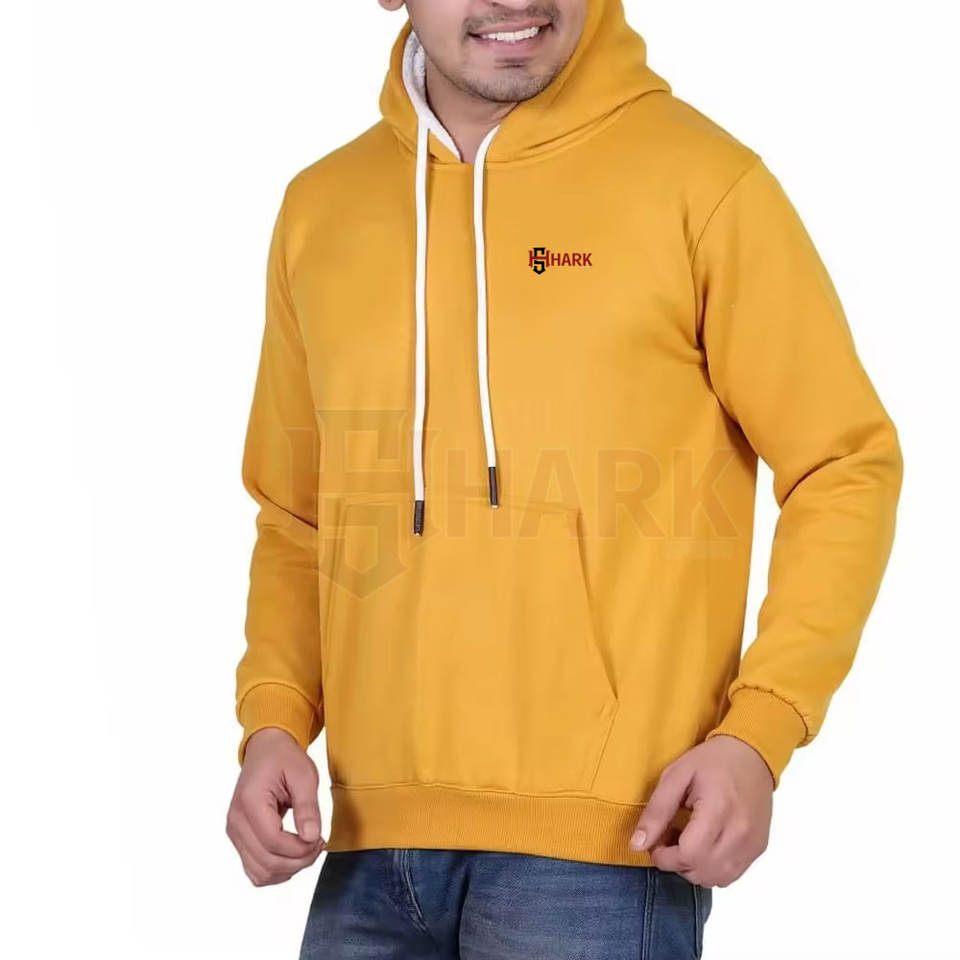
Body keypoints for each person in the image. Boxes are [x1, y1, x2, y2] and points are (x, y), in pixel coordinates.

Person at [226, 1, 903, 956]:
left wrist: (760, 730)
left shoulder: (703, 185)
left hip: (608, 849)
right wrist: (274, 719)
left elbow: (843, 464)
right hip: (364, 842)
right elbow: (297, 514)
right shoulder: (320, 210)